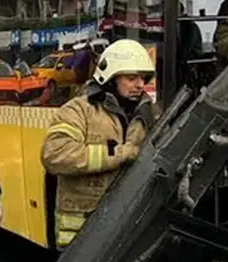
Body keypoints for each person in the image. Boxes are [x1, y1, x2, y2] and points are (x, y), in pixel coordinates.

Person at [41, 39, 159, 248]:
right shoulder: (78, 111)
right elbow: (55, 155)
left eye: (143, 78)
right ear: (110, 78)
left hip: (127, 229)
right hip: (82, 238)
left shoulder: (149, 113)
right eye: (132, 78)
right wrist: (119, 154)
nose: (140, 85)